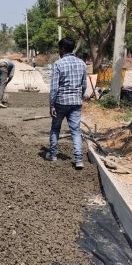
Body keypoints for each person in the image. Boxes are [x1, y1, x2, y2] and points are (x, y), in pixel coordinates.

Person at [47, 38, 87, 169]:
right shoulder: (82, 64)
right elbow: (84, 85)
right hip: (76, 102)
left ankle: (53, 155)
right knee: (75, 131)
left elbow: (54, 88)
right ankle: (79, 159)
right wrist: (79, 97)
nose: (59, 51)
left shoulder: (58, 64)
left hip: (61, 102)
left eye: (59, 48)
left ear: (63, 49)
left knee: (55, 128)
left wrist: (52, 105)